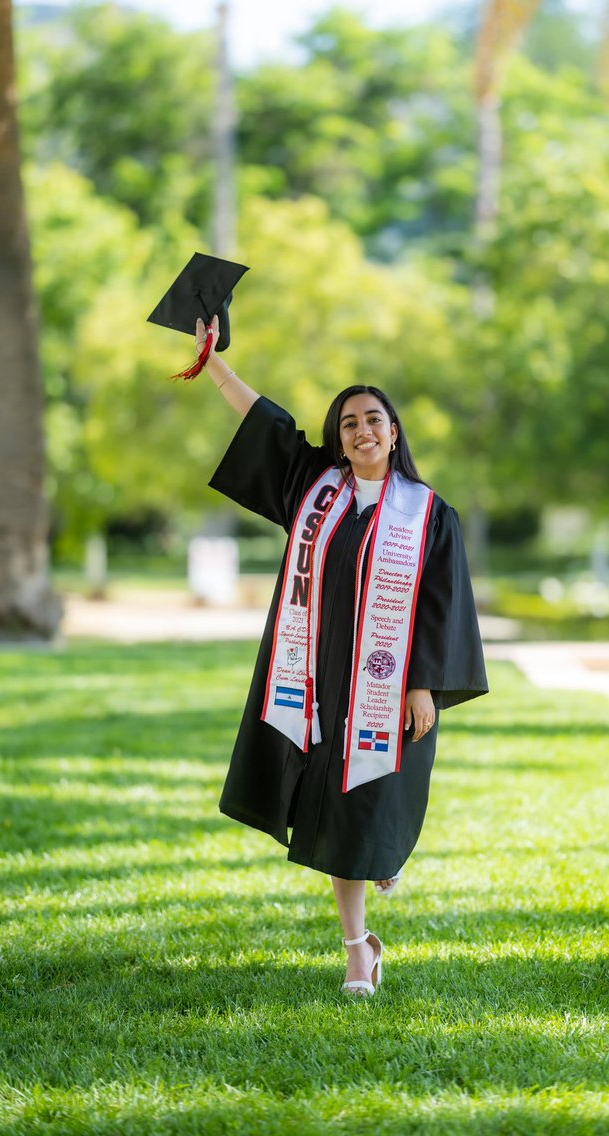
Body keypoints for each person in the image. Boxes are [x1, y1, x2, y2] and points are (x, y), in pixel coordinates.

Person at [196, 316, 488, 997]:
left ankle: (384, 852)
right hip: (316, 682)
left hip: (388, 691)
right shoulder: (315, 488)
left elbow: (442, 604)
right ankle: (359, 950)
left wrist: (424, 684)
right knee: (337, 816)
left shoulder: (428, 513)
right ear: (339, 438)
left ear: (394, 433)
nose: (362, 432)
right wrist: (213, 365)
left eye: (373, 420)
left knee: (371, 811)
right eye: (349, 423)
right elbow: (263, 420)